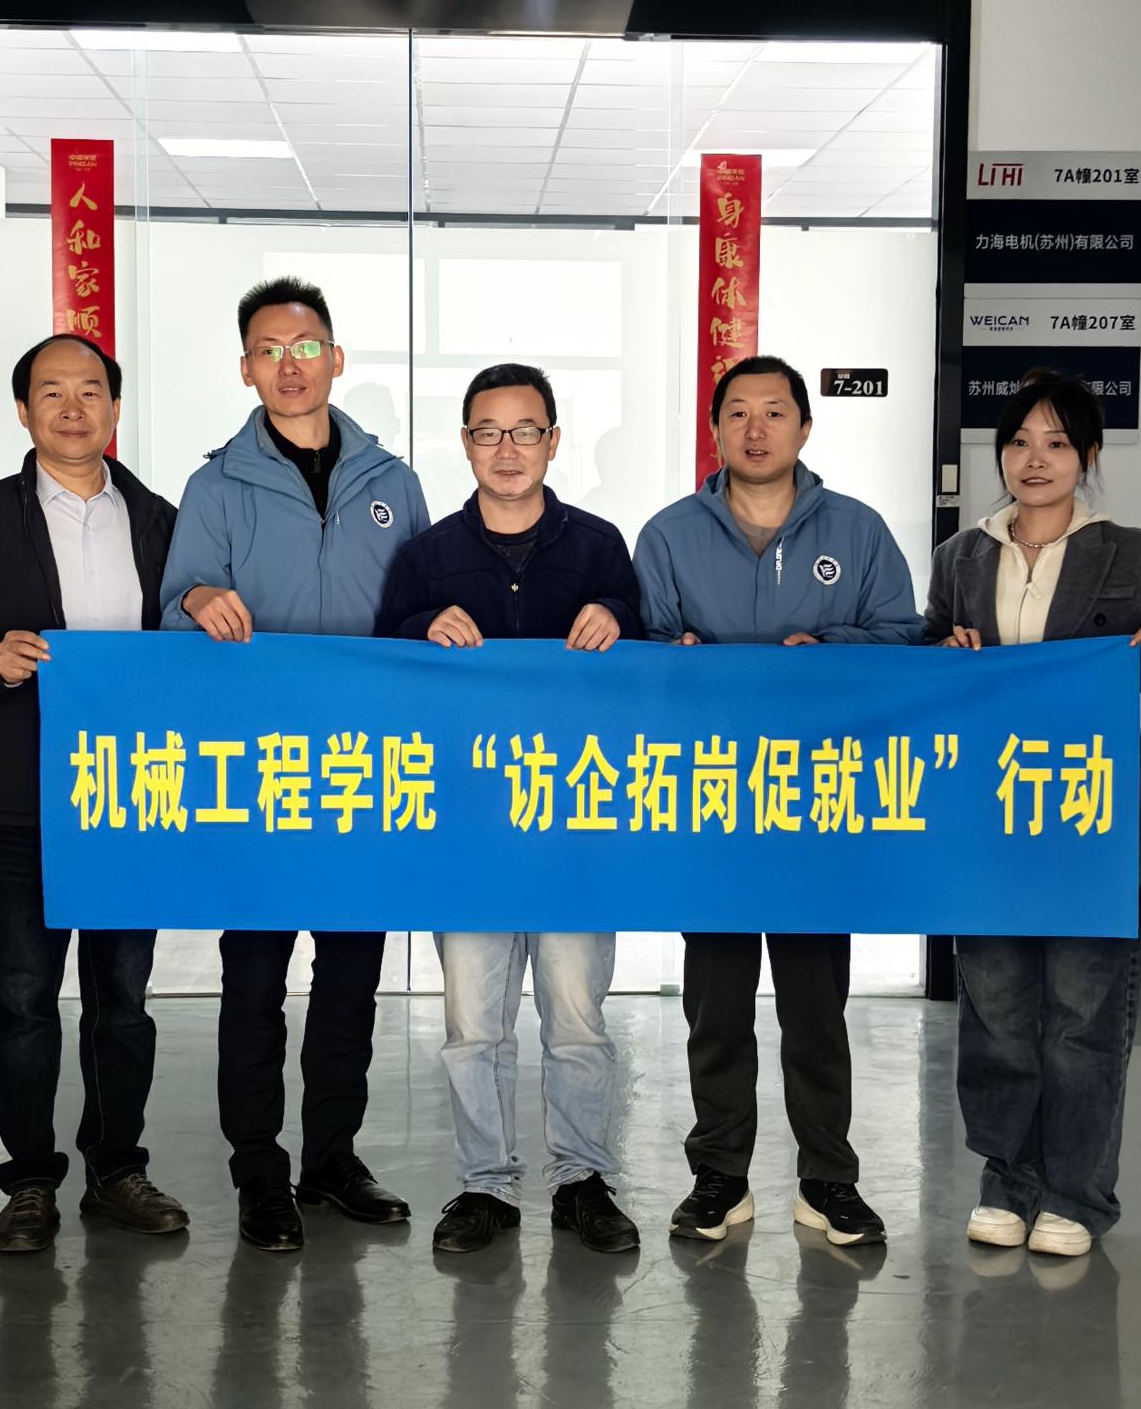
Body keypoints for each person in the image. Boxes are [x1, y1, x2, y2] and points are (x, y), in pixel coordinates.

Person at [159, 276, 430, 1252]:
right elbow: (173, 607)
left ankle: (331, 1160)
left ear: (335, 358)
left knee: (352, 979)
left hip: (366, 770)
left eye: (304, 345)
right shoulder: (216, 486)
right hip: (262, 774)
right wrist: (194, 600)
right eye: (268, 350)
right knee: (254, 980)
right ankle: (259, 1172)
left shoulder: (393, 483)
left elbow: (419, 610)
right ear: (246, 369)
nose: (288, 364)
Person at [633, 353, 922, 1247]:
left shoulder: (858, 530)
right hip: (712, 804)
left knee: (814, 1007)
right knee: (714, 1006)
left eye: (773, 412)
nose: (754, 429)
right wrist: (671, 658)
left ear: (804, 426)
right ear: (714, 429)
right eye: (737, 413)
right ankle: (718, 1178)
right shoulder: (668, 535)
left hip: (815, 807)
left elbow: (901, 639)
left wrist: (829, 648)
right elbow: (638, 660)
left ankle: (828, 1180)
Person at [925, 371, 1141, 1257]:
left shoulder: (1124, 550)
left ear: (1085, 456)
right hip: (989, 817)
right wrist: (943, 649)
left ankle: (1077, 1195)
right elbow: (926, 664)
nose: (1033, 459)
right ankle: (1007, 1181)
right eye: (1017, 442)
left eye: (1054, 443)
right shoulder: (960, 556)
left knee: (1084, 1017)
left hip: (1091, 818)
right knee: (996, 1011)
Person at [378, 362, 642, 1255]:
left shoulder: (599, 547)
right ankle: (484, 1185)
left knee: (577, 1021)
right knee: (471, 1026)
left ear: (553, 441)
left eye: (524, 430)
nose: (506, 449)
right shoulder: (426, 558)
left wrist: (617, 616)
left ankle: (582, 1179)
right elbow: (382, 668)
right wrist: (419, 631)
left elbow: (650, 662)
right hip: (467, 829)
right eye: (487, 431)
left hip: (575, 828)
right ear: (464, 443)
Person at [0, 333, 186, 1253]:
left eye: (90, 390)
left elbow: (190, 649)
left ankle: (116, 1170)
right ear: (23, 411)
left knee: (122, 998)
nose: (71, 407)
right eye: (50, 392)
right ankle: (29, 1184)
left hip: (132, 795)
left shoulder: (163, 522)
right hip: (22, 798)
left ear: (115, 409)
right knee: (24, 996)